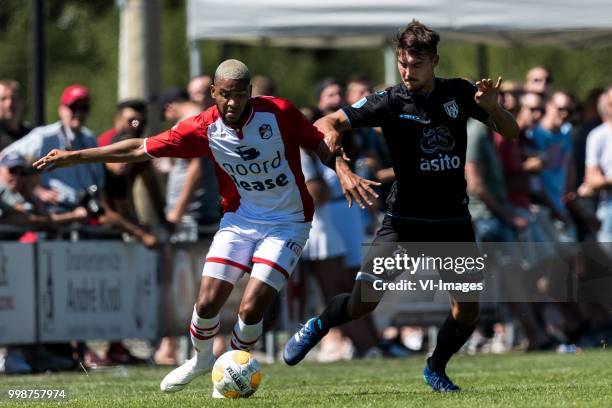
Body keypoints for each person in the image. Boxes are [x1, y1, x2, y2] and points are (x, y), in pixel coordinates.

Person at [33, 59, 377, 396]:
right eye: (225, 94)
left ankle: (228, 372)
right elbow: (140, 147)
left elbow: (318, 141)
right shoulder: (202, 127)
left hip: (287, 223)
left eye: (239, 95)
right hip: (240, 220)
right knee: (208, 302)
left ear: (250, 93)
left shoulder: (278, 112)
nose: (231, 102)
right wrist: (75, 156)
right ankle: (199, 361)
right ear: (213, 92)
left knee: (251, 306)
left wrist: (343, 172)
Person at [283, 20, 518, 392]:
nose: (407, 72)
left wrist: (495, 109)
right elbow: (326, 121)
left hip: (452, 224)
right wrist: (341, 166)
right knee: (363, 304)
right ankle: (319, 324)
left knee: (468, 310)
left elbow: (511, 131)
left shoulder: (459, 93)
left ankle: (436, 367)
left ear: (435, 61)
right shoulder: (389, 101)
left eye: (416, 65)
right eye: (402, 64)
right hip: (405, 225)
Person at [0, 79, 30, 151]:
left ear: (21, 101)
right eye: (3, 99)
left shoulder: (31, 136)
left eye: (14, 98)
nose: (9, 104)